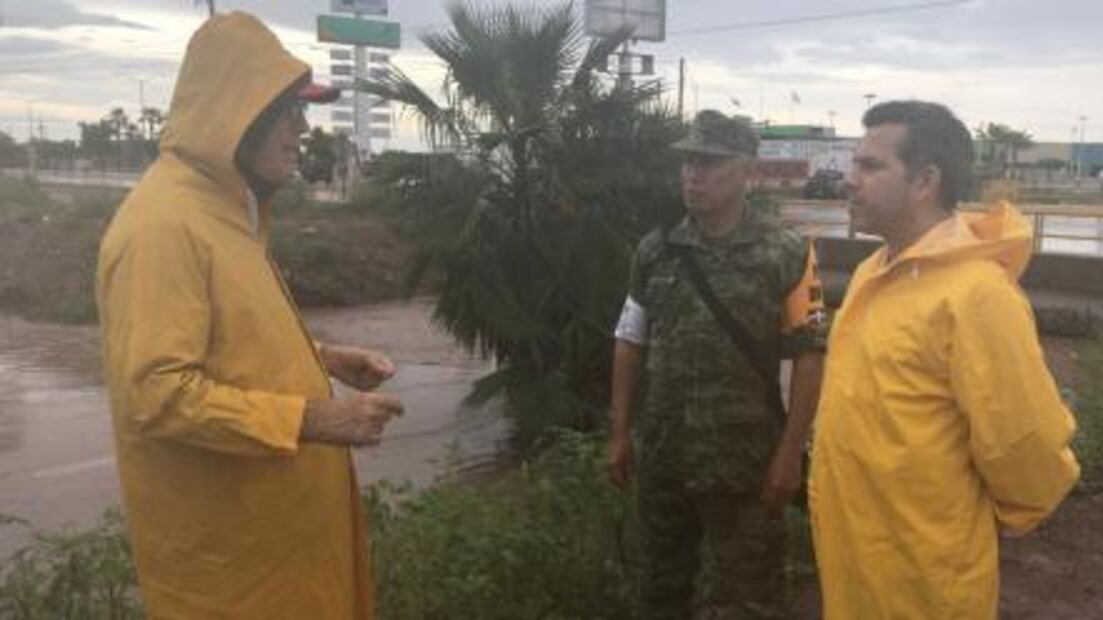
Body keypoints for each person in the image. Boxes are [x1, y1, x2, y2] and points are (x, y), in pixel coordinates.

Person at [96, 12, 404, 618]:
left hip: (283, 564)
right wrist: (312, 418)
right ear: (236, 112)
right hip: (235, 584)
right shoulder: (163, 227)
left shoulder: (229, 214)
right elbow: (156, 394)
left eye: (304, 110)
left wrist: (326, 361)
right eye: (288, 109)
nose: (302, 127)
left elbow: (231, 344)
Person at [809, 100, 1081, 619]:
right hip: (855, 566)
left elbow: (1027, 448)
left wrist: (986, 518)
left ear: (924, 180)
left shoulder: (976, 294)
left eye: (869, 166)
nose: (849, 180)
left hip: (925, 583)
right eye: (854, 164)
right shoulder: (874, 272)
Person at [608, 110, 827, 619]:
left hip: (746, 466)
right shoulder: (657, 249)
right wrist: (619, 433)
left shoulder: (785, 252)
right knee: (660, 592)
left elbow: (810, 356)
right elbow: (629, 339)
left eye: (710, 162)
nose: (693, 174)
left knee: (750, 599)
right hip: (665, 457)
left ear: (748, 172)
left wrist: (791, 454)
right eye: (688, 162)